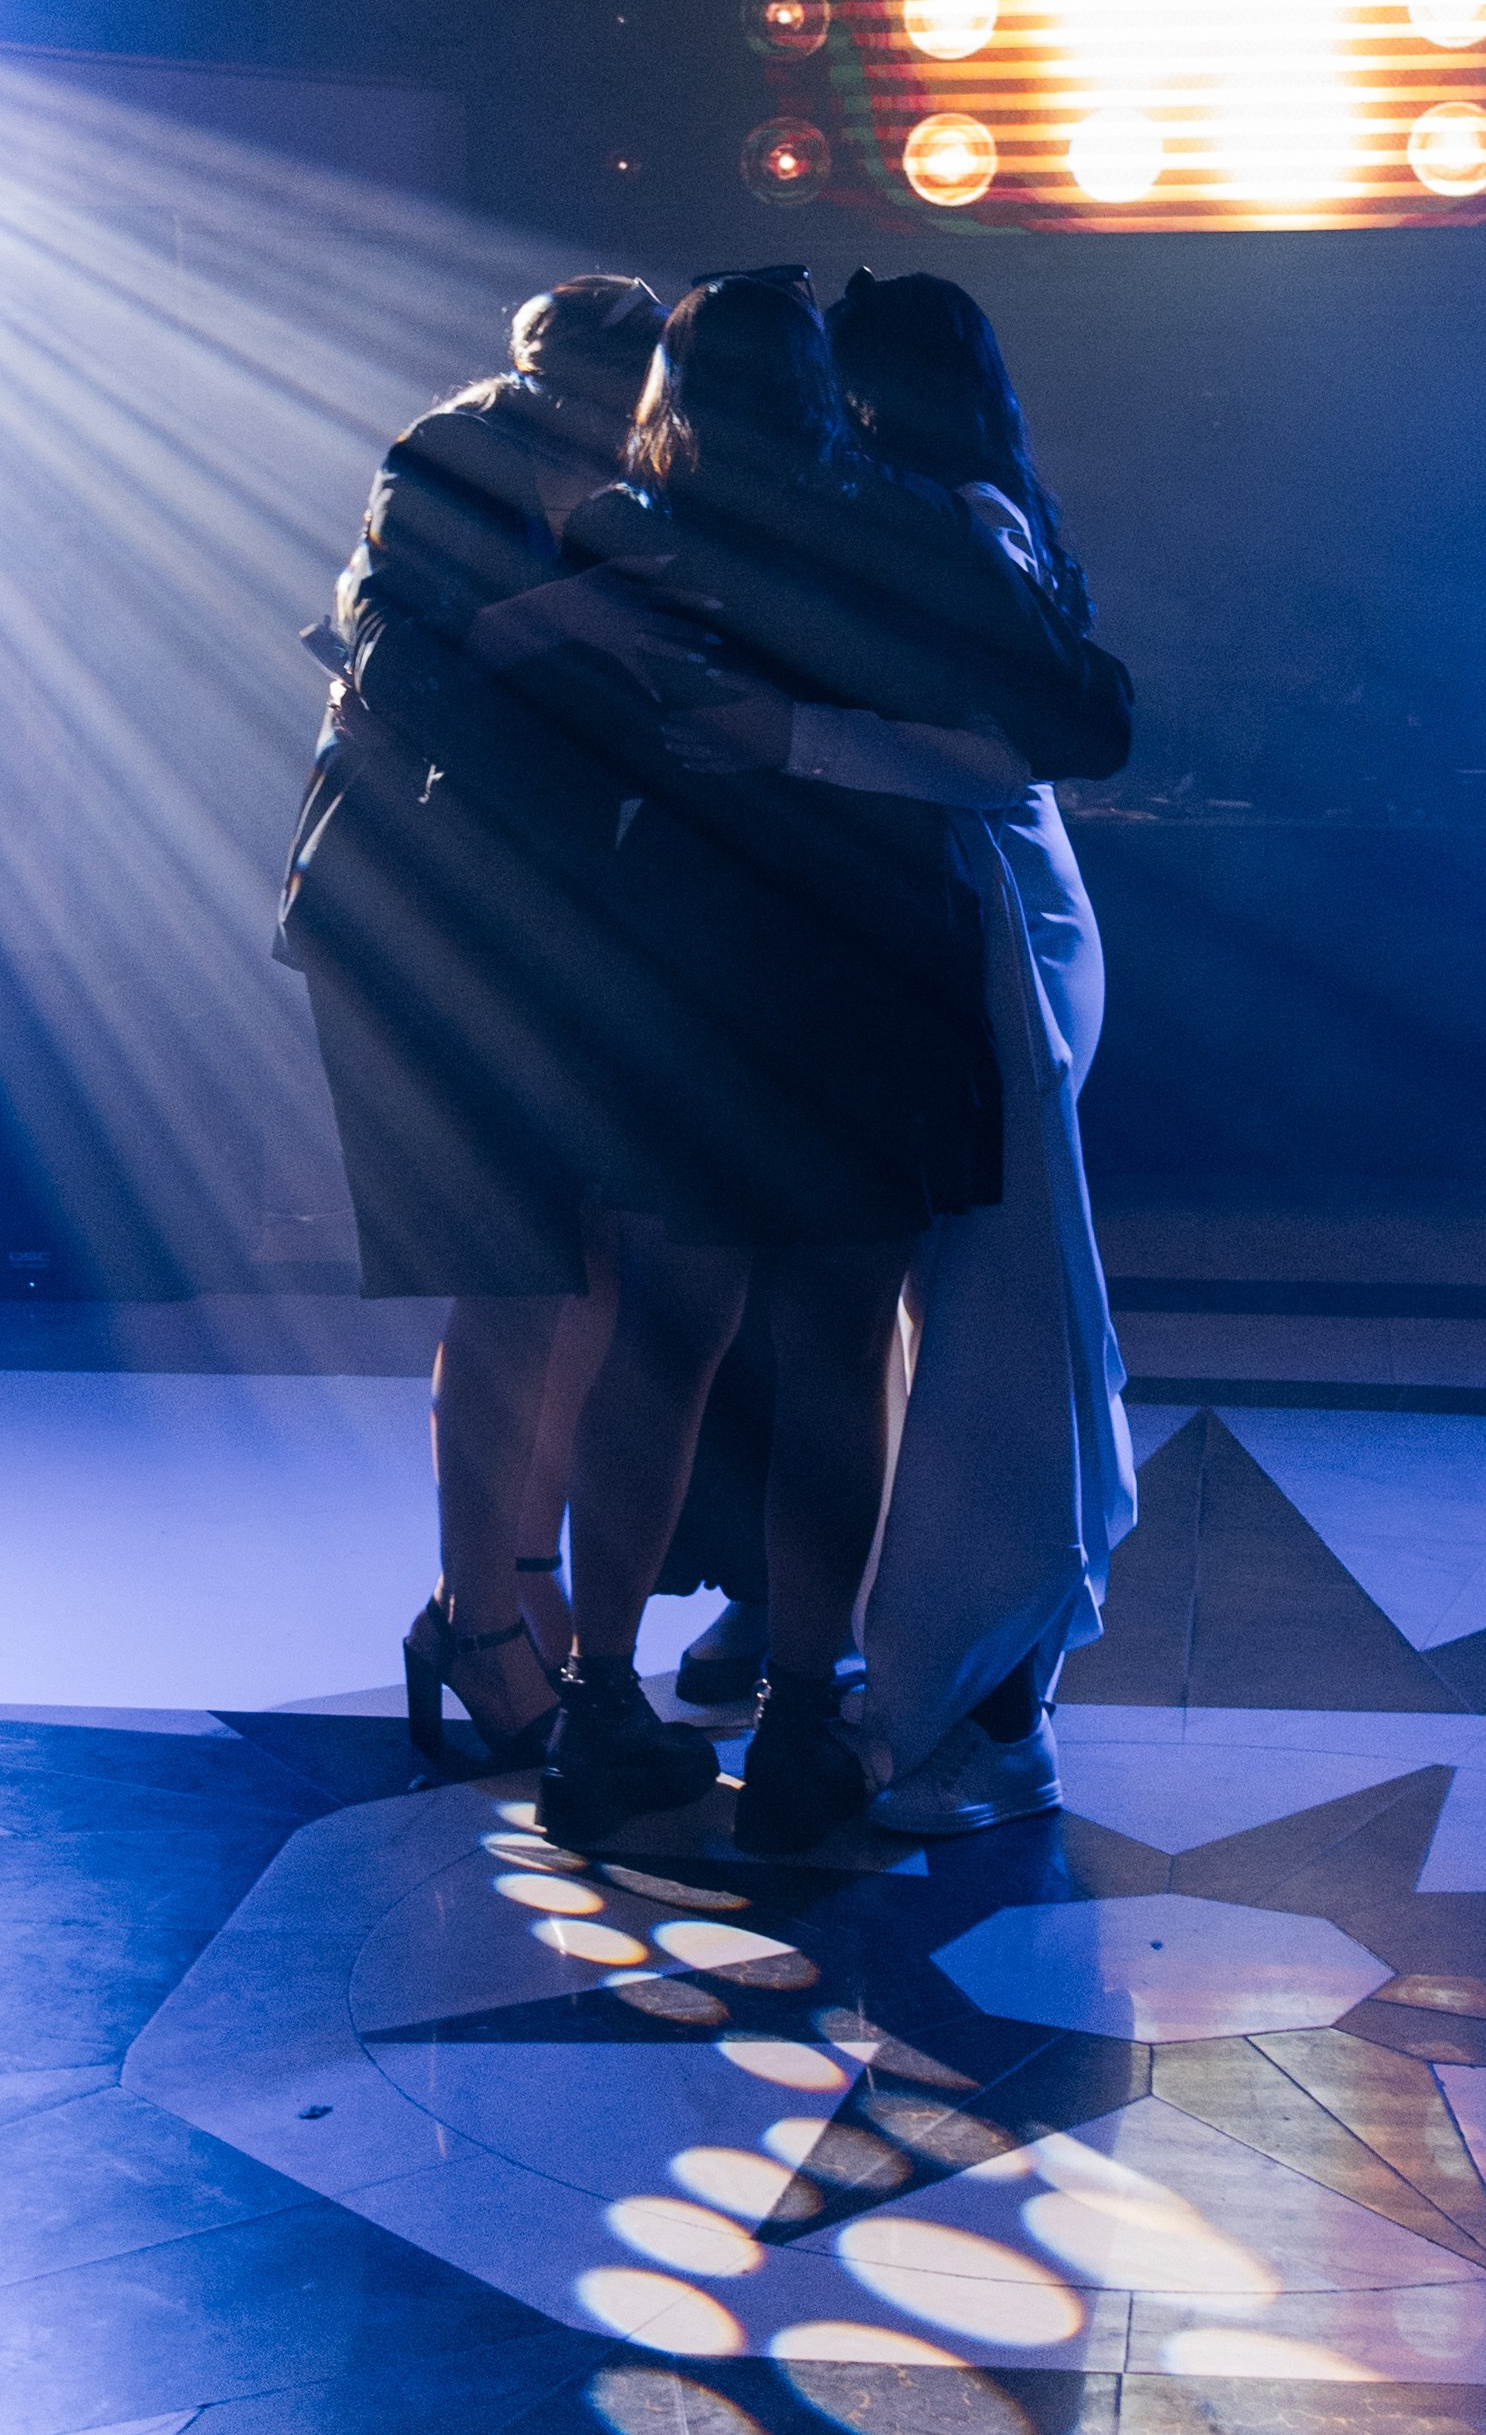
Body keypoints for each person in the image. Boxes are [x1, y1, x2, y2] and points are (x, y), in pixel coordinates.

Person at [481, 272, 1130, 1854]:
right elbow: (1078, 720)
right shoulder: (906, 525)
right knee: (839, 1351)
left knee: (662, 1342)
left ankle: (600, 1703)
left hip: (680, 969)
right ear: (827, 384)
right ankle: (795, 1717)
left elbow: (525, 732)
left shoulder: (626, 531)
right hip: (862, 966)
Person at [276, 275, 662, 1769]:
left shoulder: (647, 472)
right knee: (510, 1274)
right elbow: (401, 669)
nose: (609, 430)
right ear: (529, 377)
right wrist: (558, 618)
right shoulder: (442, 459)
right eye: (576, 398)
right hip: (419, 922)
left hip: (554, 927)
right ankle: (478, 1621)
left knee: (588, 1264)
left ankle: (517, 1581)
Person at [822, 269, 1136, 1833]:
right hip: (976, 917)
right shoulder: (966, 509)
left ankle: (1000, 1714)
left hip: (1001, 922)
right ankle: (968, 1682)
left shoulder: (964, 521)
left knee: (996, 1332)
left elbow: (1008, 746)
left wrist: (783, 736)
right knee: (961, 1325)